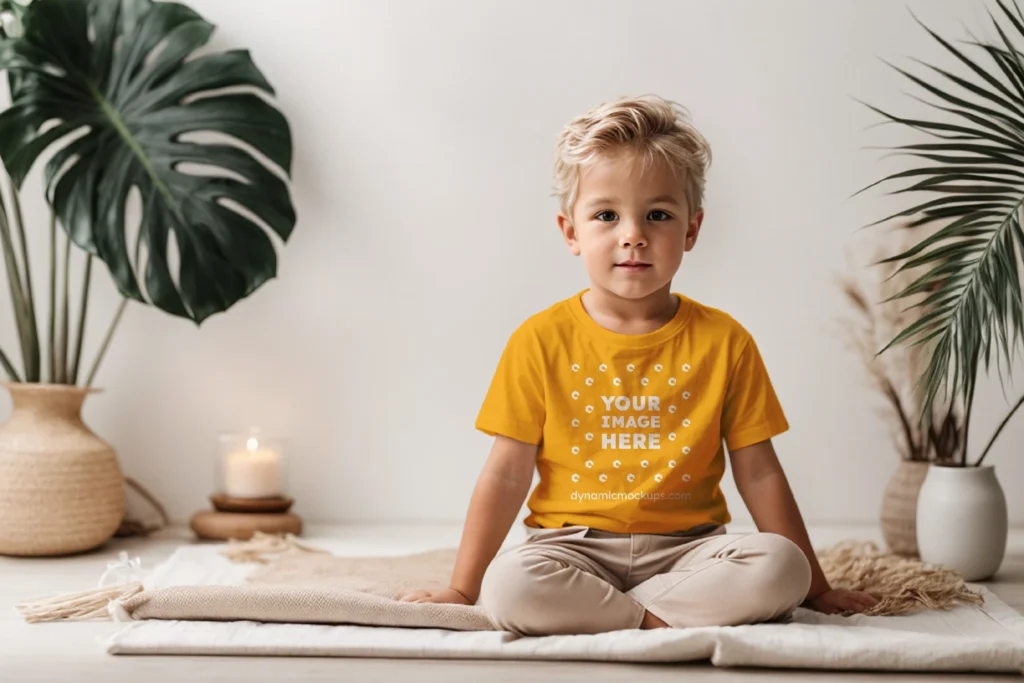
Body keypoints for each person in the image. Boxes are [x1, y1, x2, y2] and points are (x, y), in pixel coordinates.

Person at [400, 94, 879, 635]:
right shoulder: (539, 340)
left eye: (658, 215)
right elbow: (507, 472)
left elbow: (760, 470)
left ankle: (615, 616)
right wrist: (463, 588)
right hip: (572, 551)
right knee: (509, 586)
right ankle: (660, 619)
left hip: (689, 553)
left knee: (780, 567)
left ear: (691, 231)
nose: (633, 234)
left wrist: (816, 587)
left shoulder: (725, 341)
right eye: (607, 215)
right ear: (571, 232)